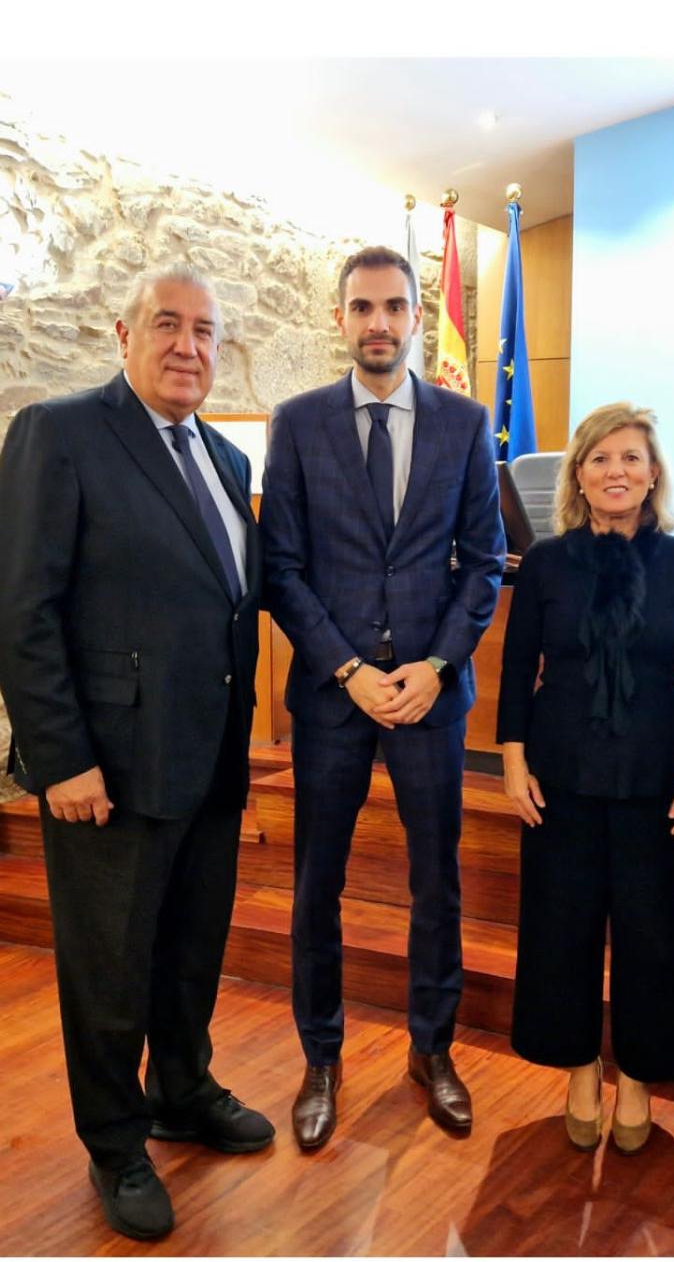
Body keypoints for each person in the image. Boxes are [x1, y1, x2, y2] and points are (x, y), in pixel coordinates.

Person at [0, 264, 273, 1242]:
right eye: (167, 324)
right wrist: (60, 757)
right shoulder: (61, 434)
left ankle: (182, 1091)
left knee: (191, 952)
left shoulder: (225, 458)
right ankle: (116, 1143)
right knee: (109, 971)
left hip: (209, 761)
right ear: (123, 334)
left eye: (204, 329)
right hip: (107, 769)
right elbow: (23, 611)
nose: (188, 346)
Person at [260, 245, 505, 1150]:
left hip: (429, 698)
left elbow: (483, 563)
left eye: (394, 306)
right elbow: (282, 570)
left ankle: (431, 1049)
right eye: (362, 307)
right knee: (316, 885)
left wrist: (434, 666)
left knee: (436, 883)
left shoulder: (463, 422)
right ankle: (320, 1057)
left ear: (416, 319)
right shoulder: (298, 423)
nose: (379, 322)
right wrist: (349, 669)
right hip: (333, 699)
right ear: (340, 317)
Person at [496, 403, 674, 1154]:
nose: (615, 471)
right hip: (558, 773)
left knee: (652, 933)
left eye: (630, 457)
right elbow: (516, 667)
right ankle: (580, 1067)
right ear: (579, 476)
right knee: (560, 927)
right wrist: (513, 759)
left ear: (653, 474)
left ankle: (640, 1073)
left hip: (657, 775)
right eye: (599, 458)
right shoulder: (547, 563)